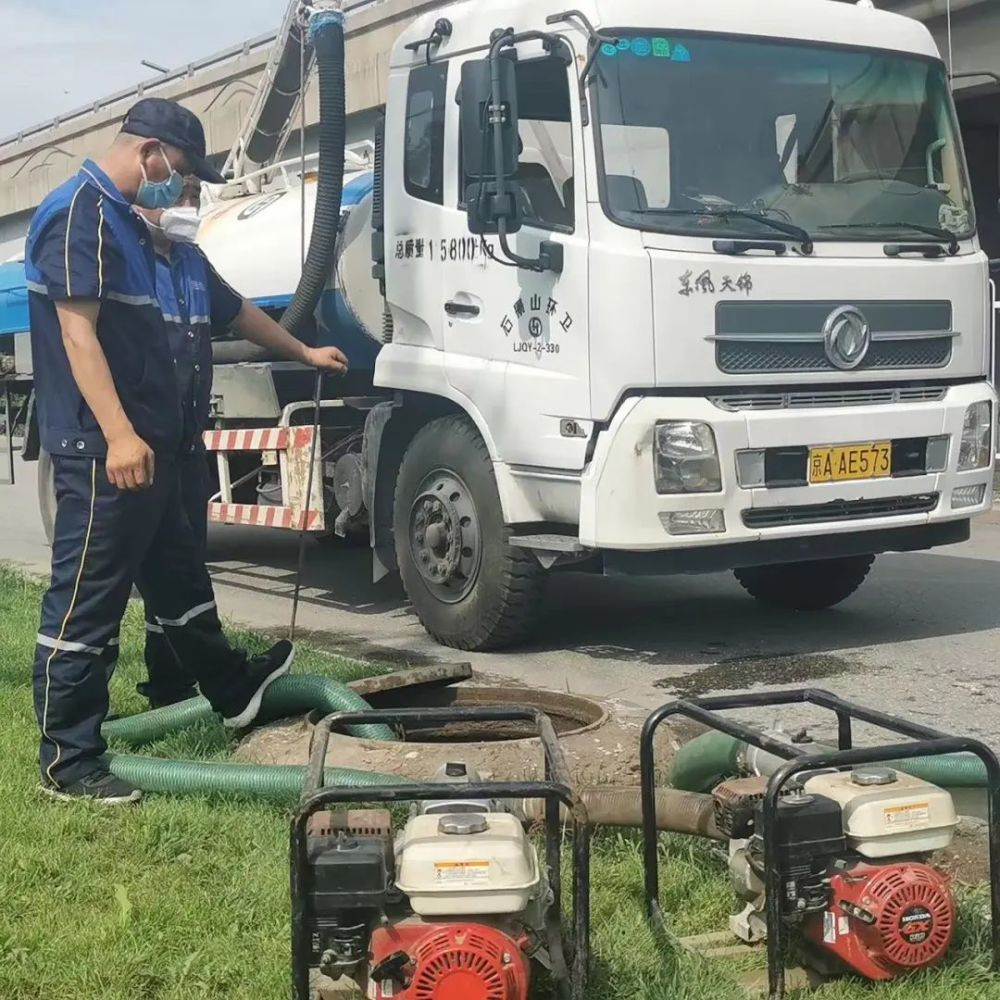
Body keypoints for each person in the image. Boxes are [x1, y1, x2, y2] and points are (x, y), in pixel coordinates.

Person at [26, 99, 300, 805]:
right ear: (150, 153)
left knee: (181, 589)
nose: (182, 193)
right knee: (88, 605)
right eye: (178, 176)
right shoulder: (79, 215)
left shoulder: (151, 241)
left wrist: (303, 352)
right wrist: (118, 434)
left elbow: (232, 310)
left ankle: (233, 691)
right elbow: (78, 337)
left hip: (161, 453)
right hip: (104, 454)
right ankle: (68, 758)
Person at [131, 176, 348, 707]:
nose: (187, 205)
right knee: (129, 581)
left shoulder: (191, 261)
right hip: (138, 443)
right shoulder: (121, 259)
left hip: (184, 442)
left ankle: (172, 685)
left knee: (179, 572)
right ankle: (78, 731)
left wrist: (303, 351)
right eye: (175, 194)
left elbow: (241, 314)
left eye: (190, 196)